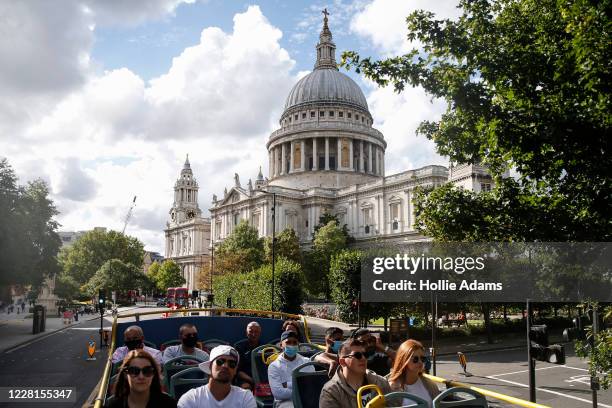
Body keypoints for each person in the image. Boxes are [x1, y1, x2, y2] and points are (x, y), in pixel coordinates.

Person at [319, 338, 391, 408]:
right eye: (357, 355)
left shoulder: (381, 383)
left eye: (365, 355)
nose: (363, 358)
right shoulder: (331, 391)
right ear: (343, 362)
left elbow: (394, 405)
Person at [178, 345, 256, 408]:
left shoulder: (245, 398)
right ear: (210, 366)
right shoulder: (191, 399)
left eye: (232, 363)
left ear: (235, 370)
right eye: (220, 361)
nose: (225, 366)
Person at [106, 349, 176, 408]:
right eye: (134, 371)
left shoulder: (168, 404)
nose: (141, 376)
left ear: (154, 374)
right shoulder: (113, 405)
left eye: (147, 371)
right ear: (125, 374)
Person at [388, 339, 440, 407]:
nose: (420, 362)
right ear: (404, 359)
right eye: (415, 359)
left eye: (422, 358)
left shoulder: (430, 385)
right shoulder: (392, 387)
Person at [268, 331, 313, 407]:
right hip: (284, 402)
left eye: (294, 342)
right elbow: (278, 393)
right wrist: (301, 388)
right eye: (288, 342)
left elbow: (311, 386)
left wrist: (287, 384)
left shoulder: (306, 362)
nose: (292, 345)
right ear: (281, 345)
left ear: (298, 344)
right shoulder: (274, 366)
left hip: (306, 399)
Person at [234, 321, 262, 389]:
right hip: (245, 379)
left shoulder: (264, 348)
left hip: (261, 379)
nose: (253, 334)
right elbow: (237, 371)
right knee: (246, 387)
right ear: (246, 333)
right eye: (251, 331)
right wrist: (252, 380)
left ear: (260, 333)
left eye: (256, 332)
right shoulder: (239, 347)